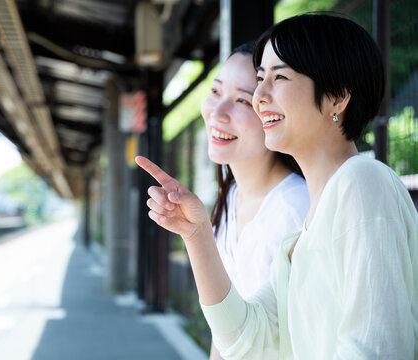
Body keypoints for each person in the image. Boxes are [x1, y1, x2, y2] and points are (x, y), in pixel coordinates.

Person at [136, 13, 418, 359]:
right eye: (260, 78)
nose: (259, 96)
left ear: (337, 98)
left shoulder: (362, 182)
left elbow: (376, 349)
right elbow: (245, 339)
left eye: (279, 77)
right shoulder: (304, 231)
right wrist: (197, 235)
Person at [198, 42, 309, 360]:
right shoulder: (230, 198)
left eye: (243, 101)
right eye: (216, 92)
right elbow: (225, 331)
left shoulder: (296, 209)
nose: (217, 113)